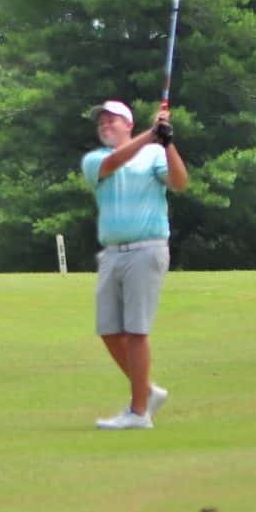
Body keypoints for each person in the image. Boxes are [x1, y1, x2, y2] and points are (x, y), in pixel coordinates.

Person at [81, 100, 188, 429]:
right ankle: (147, 391)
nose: (105, 125)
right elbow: (115, 162)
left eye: (112, 120)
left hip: (146, 248)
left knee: (136, 331)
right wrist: (151, 134)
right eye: (101, 122)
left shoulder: (154, 153)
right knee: (108, 330)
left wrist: (167, 142)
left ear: (128, 124)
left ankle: (139, 412)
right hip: (112, 253)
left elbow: (179, 182)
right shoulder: (94, 160)